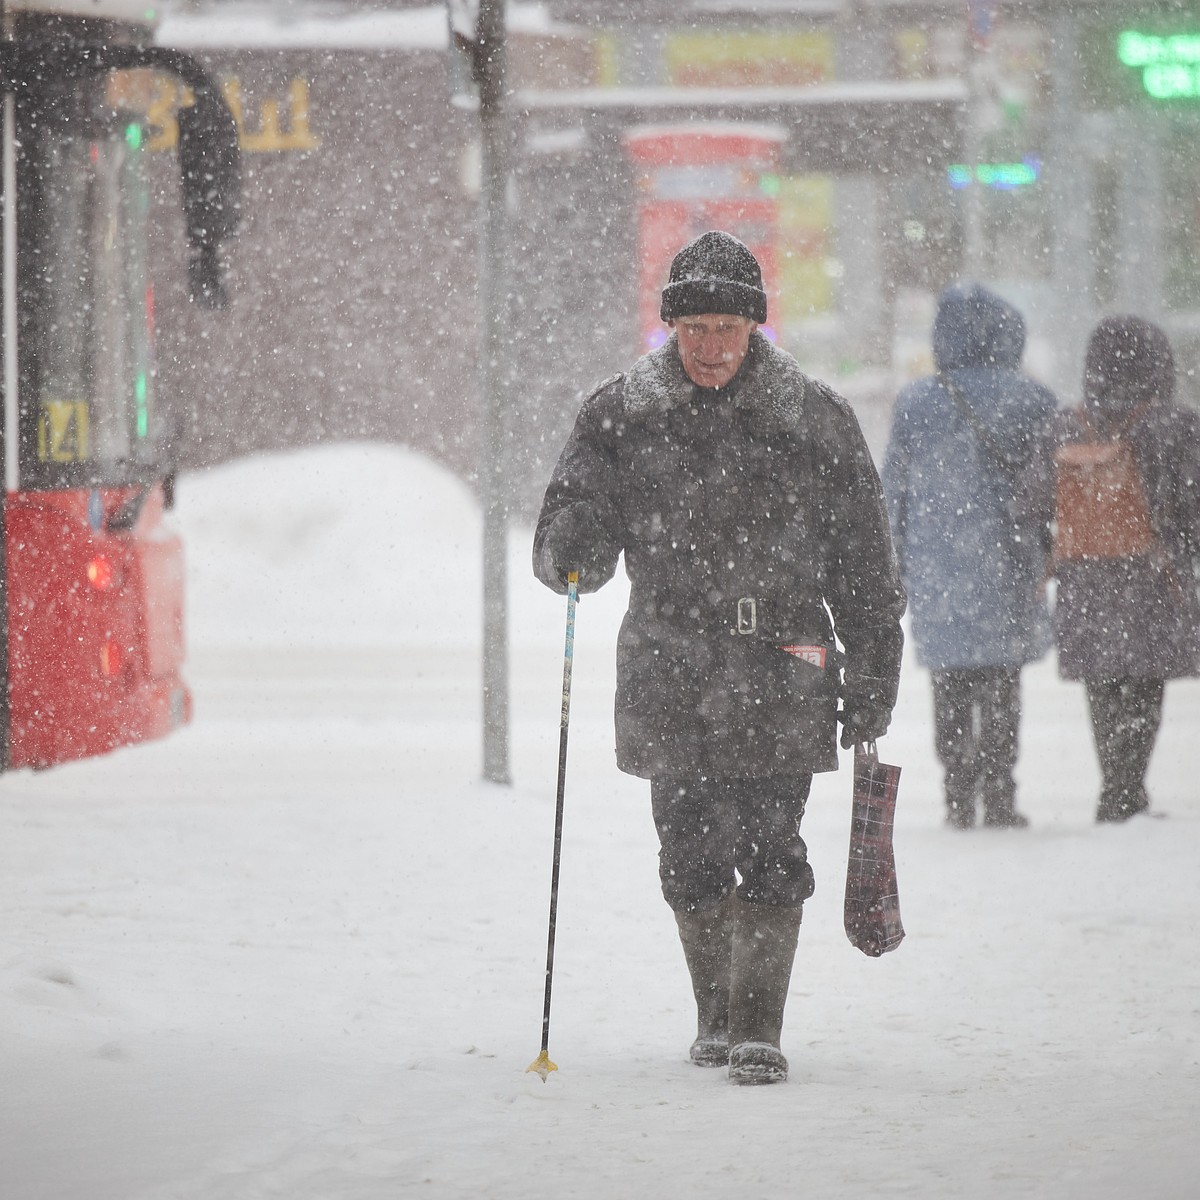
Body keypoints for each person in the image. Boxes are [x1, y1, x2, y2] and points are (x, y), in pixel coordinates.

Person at [532, 230, 905, 1085]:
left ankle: (759, 1026)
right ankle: (716, 1014)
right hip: (671, 660)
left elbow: (862, 562)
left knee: (775, 842)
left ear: (754, 330)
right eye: (694, 328)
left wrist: (875, 665)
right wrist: (570, 548)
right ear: (672, 328)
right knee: (690, 850)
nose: (709, 348)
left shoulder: (813, 418)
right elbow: (571, 513)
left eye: (725, 330)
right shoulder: (619, 413)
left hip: (785, 660)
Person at [882, 283, 1056, 830]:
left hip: (939, 568)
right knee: (1003, 683)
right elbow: (1052, 486)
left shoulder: (916, 401)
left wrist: (895, 560)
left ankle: (957, 795)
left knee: (950, 683)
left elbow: (893, 492)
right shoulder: (1031, 399)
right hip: (1007, 561)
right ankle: (1001, 794)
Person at [1019, 316, 1200, 822]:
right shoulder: (1177, 425)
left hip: (1086, 577)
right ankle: (1131, 789)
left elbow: (1031, 501)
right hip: (1152, 573)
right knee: (1145, 682)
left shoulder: (1066, 424)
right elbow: (1192, 507)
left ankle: (1113, 788)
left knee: (1103, 686)